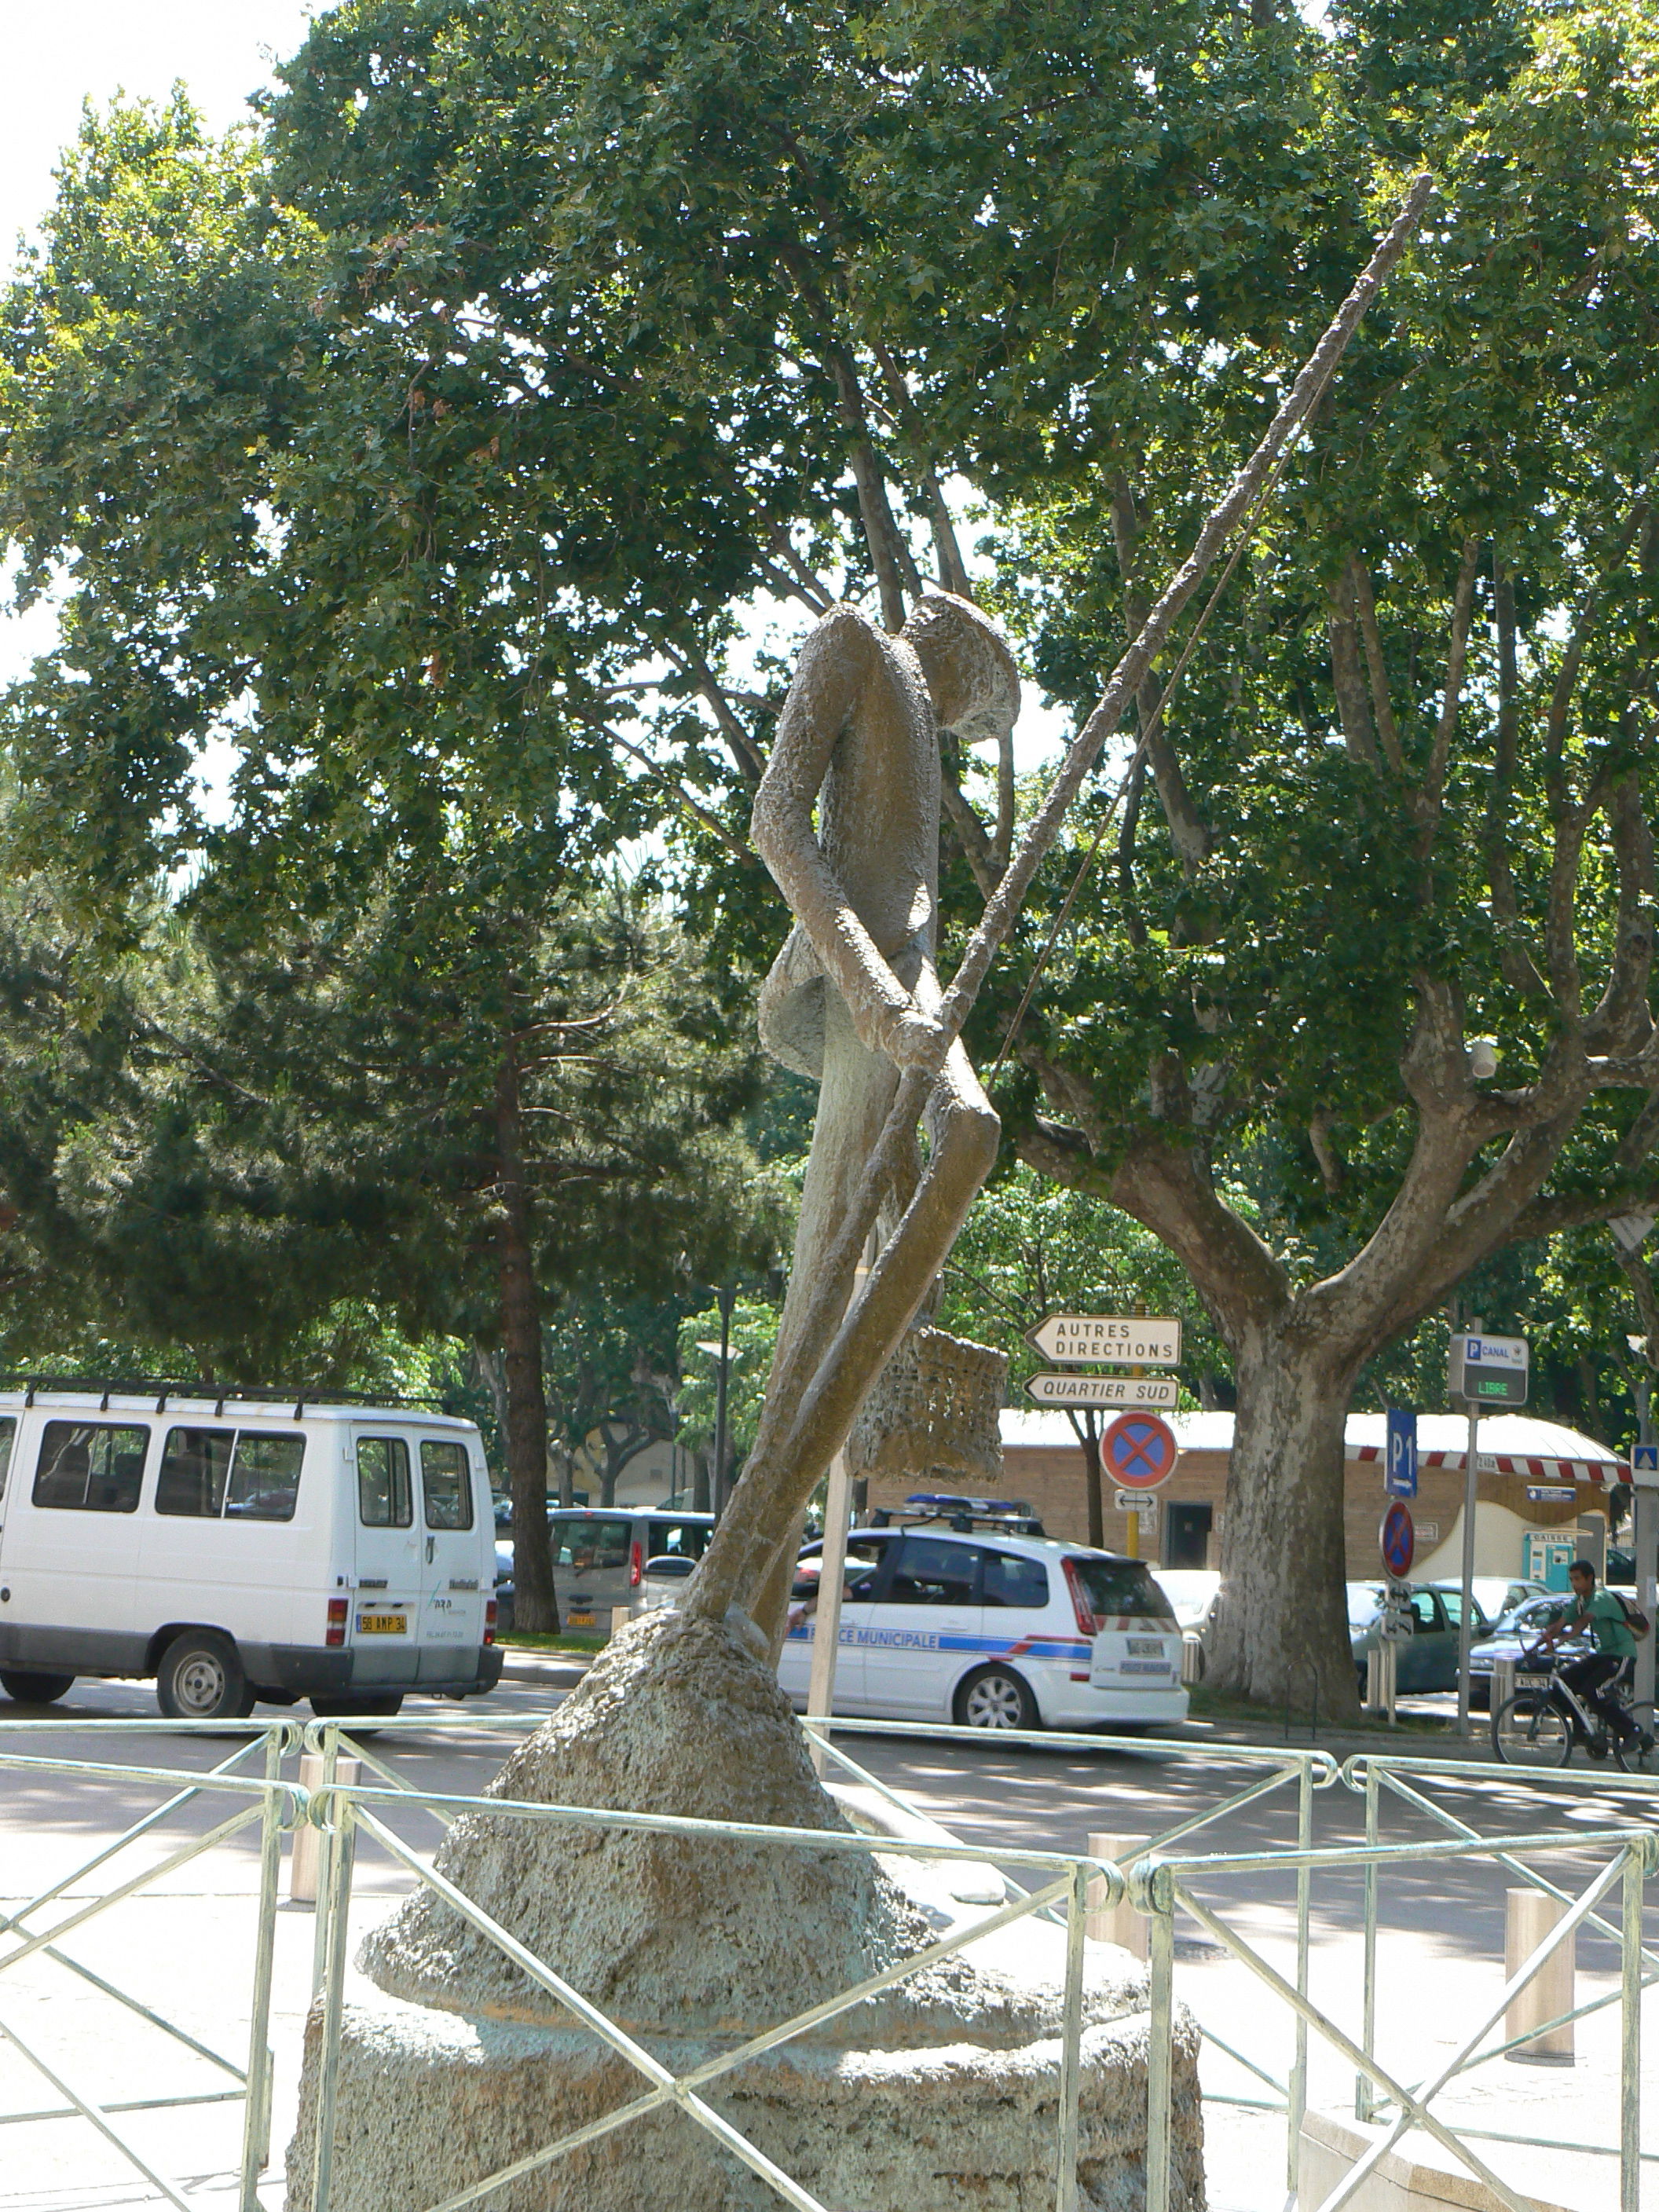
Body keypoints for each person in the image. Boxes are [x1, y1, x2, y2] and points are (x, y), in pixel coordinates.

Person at [1536, 1560, 1652, 1755]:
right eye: (1572, 1579)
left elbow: (1584, 1621)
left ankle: (1633, 1732)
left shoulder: (1601, 1598)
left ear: (1590, 1579)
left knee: (1593, 1691)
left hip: (1622, 1655)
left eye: (1578, 1579)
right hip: (1603, 1654)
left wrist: (1564, 1639)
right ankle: (1582, 1732)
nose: (1574, 1584)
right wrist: (1541, 1642)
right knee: (1563, 1683)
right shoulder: (1579, 1601)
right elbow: (1560, 1623)